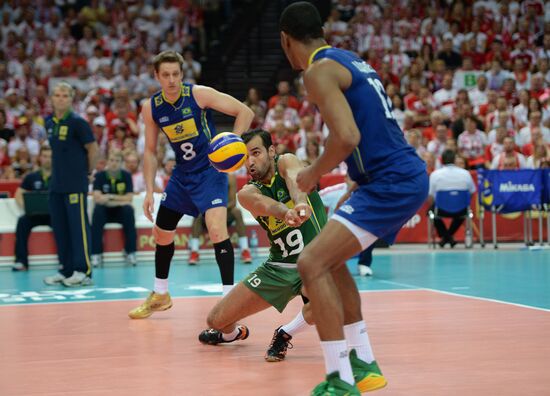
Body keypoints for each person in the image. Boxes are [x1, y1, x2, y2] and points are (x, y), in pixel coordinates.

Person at [280, 3, 429, 394]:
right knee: (329, 261)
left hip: (390, 180)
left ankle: (340, 380)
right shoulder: (349, 59)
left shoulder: (318, 71)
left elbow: (348, 137)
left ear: (285, 40)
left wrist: (312, 173)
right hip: (392, 176)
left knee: (310, 262)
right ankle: (364, 363)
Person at [128, 51, 254, 319]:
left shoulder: (199, 94)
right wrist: (150, 190)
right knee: (162, 234)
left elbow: (245, 111)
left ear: (182, 74)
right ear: (156, 76)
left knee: (218, 229)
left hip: (210, 172)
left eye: (176, 74)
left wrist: (234, 141)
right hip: (182, 176)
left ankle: (227, 301)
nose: (172, 80)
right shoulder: (150, 107)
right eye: (166, 75)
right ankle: (160, 294)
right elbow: (150, 151)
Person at [198, 129, 318, 361]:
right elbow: (266, 205)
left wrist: (301, 203)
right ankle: (232, 335)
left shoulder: (286, 160)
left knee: (327, 302)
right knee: (216, 320)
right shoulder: (247, 193)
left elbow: (296, 180)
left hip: (315, 260)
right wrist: (286, 213)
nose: (251, 161)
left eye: (256, 153)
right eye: (245, 157)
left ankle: (284, 333)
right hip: (279, 266)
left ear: (271, 151)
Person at [43, 81, 98, 287]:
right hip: (56, 185)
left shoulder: (78, 122)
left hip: (76, 184)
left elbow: (92, 149)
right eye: (57, 95)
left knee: (79, 228)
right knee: (60, 228)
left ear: (71, 99)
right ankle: (66, 269)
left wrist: (89, 172)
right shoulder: (49, 123)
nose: (61, 99)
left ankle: (83, 271)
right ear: (51, 99)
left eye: (65, 95)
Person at [188, 172, 252, 265]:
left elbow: (233, 202)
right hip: (208, 213)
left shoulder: (230, 177)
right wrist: (211, 209)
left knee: (237, 212)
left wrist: (218, 208)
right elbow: (199, 201)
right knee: (197, 214)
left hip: (225, 213)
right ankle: (194, 252)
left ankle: (245, 250)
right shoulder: (204, 177)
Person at [91, 150, 137, 267]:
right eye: (111, 160)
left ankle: (130, 252)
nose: (114, 163)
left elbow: (129, 198)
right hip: (104, 211)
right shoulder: (99, 176)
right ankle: (96, 254)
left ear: (121, 163)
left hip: (120, 211)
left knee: (129, 210)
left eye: (117, 161)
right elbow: (97, 197)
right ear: (107, 161)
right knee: (97, 210)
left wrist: (109, 197)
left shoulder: (126, 176)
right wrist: (119, 200)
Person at [12, 145, 52, 272]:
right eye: (45, 156)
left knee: (63, 224)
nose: (48, 159)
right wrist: (28, 207)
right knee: (22, 221)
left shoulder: (59, 177)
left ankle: (65, 262)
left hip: (53, 215)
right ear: (40, 158)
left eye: (51, 157)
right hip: (34, 214)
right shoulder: (32, 177)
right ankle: (21, 261)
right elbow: (18, 194)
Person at [429, 150, 476, 247]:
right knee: (464, 210)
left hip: (441, 209)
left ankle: (446, 237)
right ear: (454, 160)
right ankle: (448, 237)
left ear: (441, 160)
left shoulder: (435, 174)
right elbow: (472, 192)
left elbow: (431, 196)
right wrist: (462, 202)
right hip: (461, 209)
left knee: (431, 210)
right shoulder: (466, 173)